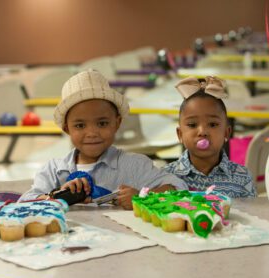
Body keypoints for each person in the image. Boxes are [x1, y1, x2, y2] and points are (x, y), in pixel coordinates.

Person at [19, 69, 187, 209]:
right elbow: (24, 203)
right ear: (66, 128)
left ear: (117, 123)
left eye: (102, 123)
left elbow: (178, 187)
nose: (92, 133)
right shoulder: (53, 171)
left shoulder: (134, 165)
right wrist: (55, 196)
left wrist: (143, 197)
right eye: (80, 126)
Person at [164, 76, 257, 198]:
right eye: (192, 125)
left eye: (213, 124)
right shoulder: (167, 177)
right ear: (180, 134)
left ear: (226, 133)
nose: (202, 132)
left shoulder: (242, 178)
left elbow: (251, 215)